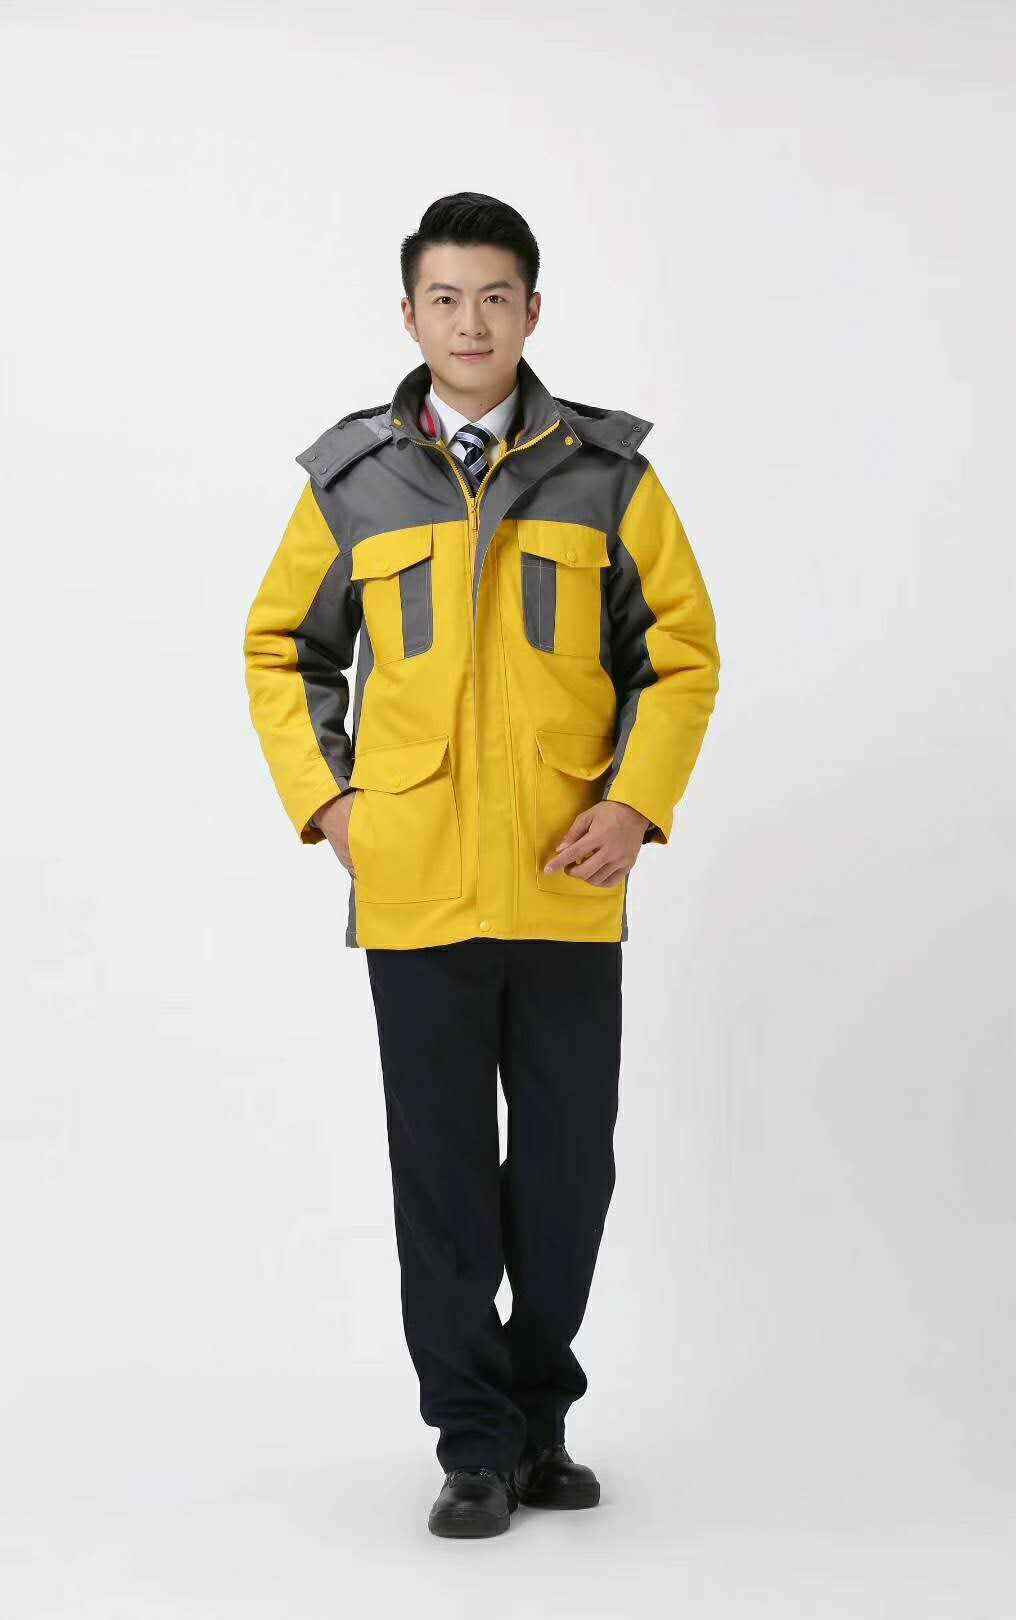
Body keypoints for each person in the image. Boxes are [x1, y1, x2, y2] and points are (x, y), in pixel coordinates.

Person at [243, 192, 720, 1539]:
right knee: (444, 1179)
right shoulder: (352, 482)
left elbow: (679, 658)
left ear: (532, 310)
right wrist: (332, 803)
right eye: (445, 299)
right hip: (417, 892)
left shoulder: (608, 478)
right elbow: (283, 650)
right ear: (410, 316)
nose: (470, 323)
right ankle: (471, 1441)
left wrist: (634, 805)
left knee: (567, 1175)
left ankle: (541, 1421)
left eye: (494, 297)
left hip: (568, 884)